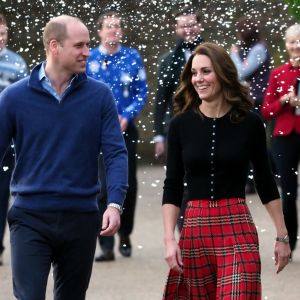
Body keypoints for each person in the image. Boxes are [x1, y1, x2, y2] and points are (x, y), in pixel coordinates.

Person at [0, 15, 128, 299]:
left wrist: (115, 204)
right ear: (54, 46)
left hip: (81, 217)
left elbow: (116, 153)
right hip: (29, 216)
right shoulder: (13, 97)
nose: (87, 51)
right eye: (79, 45)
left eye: (88, 44)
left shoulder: (100, 96)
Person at [162, 42, 290, 300]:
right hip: (195, 229)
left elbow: (265, 181)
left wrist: (282, 236)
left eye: (206, 71)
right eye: (194, 73)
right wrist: (169, 240)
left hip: (237, 227)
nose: (199, 79)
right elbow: (172, 185)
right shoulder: (180, 125)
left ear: (222, 73)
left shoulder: (249, 122)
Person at [86, 11, 148, 261]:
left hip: (125, 128)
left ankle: (125, 233)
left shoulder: (132, 57)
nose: (113, 31)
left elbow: (141, 92)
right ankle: (106, 241)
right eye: (109, 27)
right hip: (96, 131)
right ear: (99, 31)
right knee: (100, 185)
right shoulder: (89, 59)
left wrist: (127, 115)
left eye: (117, 26)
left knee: (127, 183)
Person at [154, 7, 204, 231]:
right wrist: (158, 135)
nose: (188, 30)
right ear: (176, 29)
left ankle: (205, 228)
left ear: (200, 26)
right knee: (178, 183)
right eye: (183, 26)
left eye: (192, 24)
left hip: (207, 123)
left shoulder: (213, 56)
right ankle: (186, 233)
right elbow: (161, 100)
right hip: (177, 128)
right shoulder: (168, 60)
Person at [261, 23, 300, 260]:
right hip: (285, 137)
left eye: (299, 42)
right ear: (286, 46)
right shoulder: (278, 73)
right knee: (288, 193)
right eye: (292, 42)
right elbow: (266, 111)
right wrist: (285, 100)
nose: (296, 46)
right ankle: (290, 241)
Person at [230, 16, 272, 194]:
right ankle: (250, 179)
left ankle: (260, 178)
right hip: (247, 100)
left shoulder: (258, 49)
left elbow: (240, 72)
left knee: (254, 140)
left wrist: (232, 54)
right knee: (248, 140)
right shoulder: (246, 49)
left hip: (258, 100)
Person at [0, 13, 28, 266]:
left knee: (2, 195)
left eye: (4, 34)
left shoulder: (16, 63)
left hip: (7, 142)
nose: (1, 39)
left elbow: (24, 104)